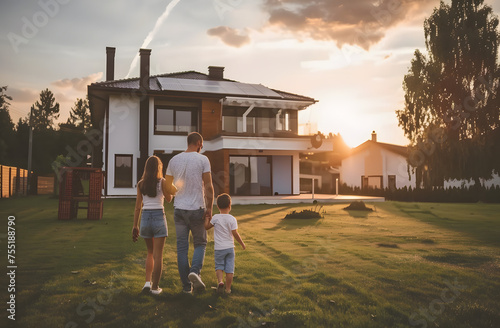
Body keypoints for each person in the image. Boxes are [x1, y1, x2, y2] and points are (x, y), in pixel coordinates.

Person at [165, 132, 214, 294]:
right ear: (198, 142)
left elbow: (167, 187)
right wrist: (210, 208)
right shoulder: (203, 160)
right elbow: (209, 186)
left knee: (181, 248)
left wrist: (175, 192)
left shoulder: (173, 160)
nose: (202, 147)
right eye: (202, 144)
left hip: (179, 210)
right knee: (200, 243)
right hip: (197, 210)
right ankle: (195, 271)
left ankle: (187, 288)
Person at [132, 155, 176, 295]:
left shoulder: (141, 184)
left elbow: (137, 207)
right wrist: (171, 189)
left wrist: (135, 226)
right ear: (159, 168)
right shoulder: (162, 182)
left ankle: (147, 283)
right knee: (158, 255)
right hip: (158, 217)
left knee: (150, 253)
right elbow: (169, 199)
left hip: (145, 218)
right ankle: (155, 288)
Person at [204, 193, 246, 294]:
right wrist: (242, 243)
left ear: (217, 206)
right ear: (229, 206)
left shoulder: (215, 218)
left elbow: (206, 227)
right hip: (230, 248)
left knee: (219, 266)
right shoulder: (232, 219)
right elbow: (235, 233)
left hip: (219, 248)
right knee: (229, 269)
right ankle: (228, 289)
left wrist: (207, 217)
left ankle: (220, 282)